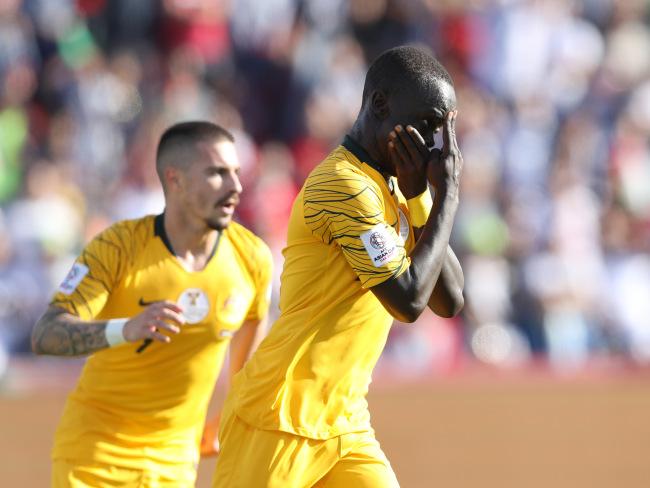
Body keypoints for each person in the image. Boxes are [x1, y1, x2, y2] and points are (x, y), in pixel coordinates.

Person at [212, 45, 464, 487]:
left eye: (442, 130)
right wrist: (448, 197)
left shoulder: (395, 188)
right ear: (381, 105)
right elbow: (408, 300)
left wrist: (423, 196)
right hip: (281, 414)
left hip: (344, 420)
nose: (435, 144)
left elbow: (451, 300)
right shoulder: (341, 185)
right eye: (428, 124)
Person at [31, 121, 273, 487]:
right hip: (93, 456)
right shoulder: (117, 248)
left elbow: (253, 330)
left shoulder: (251, 257)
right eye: (217, 173)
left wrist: (231, 412)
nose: (235, 187)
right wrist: (124, 329)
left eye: (236, 173)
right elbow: (46, 334)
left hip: (175, 463)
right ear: (174, 180)